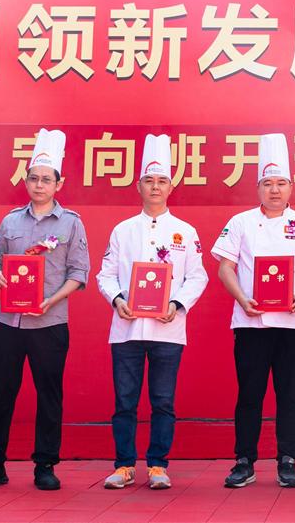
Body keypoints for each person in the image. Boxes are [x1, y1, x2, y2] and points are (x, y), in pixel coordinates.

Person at [0, 128, 89, 492]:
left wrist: (52, 300)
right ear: (26, 180)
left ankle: (45, 465)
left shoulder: (71, 223)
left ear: (58, 184)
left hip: (49, 323)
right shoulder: (11, 221)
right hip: (7, 323)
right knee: (3, 393)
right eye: (33, 178)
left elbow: (79, 273)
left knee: (49, 395)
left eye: (46, 179)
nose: (39, 185)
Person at [212, 133, 295, 488]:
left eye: (281, 183)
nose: (274, 190)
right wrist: (242, 299)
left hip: (292, 324)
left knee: (289, 394)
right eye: (268, 183)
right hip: (250, 323)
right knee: (250, 393)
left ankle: (287, 459)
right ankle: (244, 460)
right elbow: (225, 267)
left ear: (291, 187)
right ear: (258, 187)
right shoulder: (241, 222)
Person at [97, 134, 208, 490]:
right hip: (127, 329)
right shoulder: (123, 230)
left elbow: (198, 276)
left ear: (171, 187)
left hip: (167, 330)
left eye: (162, 181)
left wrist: (176, 304)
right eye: (149, 180)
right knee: (124, 401)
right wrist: (117, 299)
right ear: (139, 186)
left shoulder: (185, 232)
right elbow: (105, 274)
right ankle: (124, 465)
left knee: (163, 401)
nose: (155, 187)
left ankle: (158, 465)